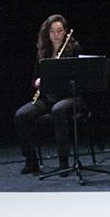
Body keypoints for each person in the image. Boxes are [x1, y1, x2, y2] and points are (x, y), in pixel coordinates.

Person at [13, 14, 84, 175]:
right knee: (21, 115)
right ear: (47, 33)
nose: (56, 35)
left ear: (65, 32)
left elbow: (81, 79)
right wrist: (37, 82)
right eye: (52, 31)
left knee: (58, 110)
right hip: (47, 98)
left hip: (70, 97)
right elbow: (35, 79)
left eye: (59, 31)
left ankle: (64, 162)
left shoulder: (74, 49)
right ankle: (31, 161)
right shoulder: (43, 52)